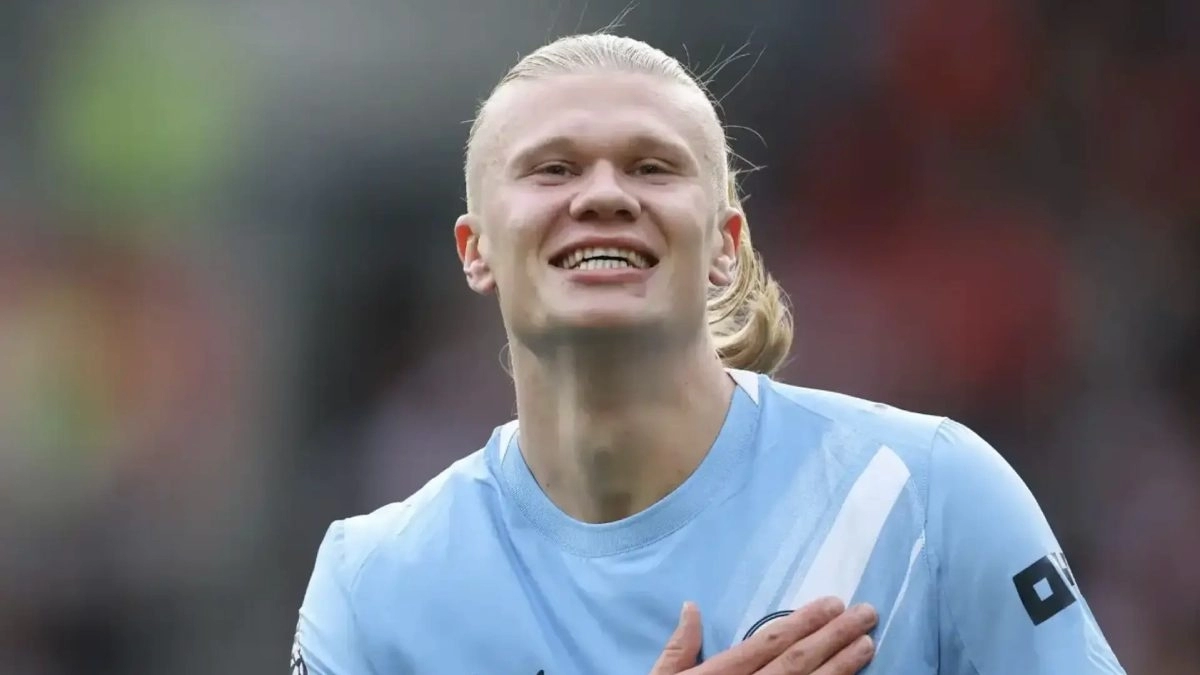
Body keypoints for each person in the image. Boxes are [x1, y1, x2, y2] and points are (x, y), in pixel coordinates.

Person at [292, 32, 1126, 674]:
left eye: (654, 167)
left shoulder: (929, 495)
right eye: (552, 169)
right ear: (474, 250)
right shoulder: (373, 584)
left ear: (727, 244)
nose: (605, 194)